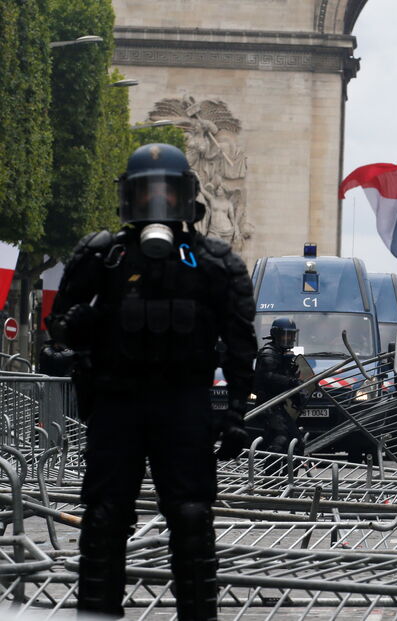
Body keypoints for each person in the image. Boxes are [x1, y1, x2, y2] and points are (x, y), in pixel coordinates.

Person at [47, 143, 257, 620]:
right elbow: (58, 327)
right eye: (146, 195)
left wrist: (235, 416)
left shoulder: (215, 265)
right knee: (104, 518)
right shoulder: (104, 257)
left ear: (187, 200)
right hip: (118, 405)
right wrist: (79, 328)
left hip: (182, 406)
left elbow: (241, 345)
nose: (156, 205)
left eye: (166, 194)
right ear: (129, 199)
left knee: (190, 517)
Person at [255, 317, 304, 455]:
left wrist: (296, 393)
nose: (288, 339)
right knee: (281, 438)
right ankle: (271, 474)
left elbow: (286, 377)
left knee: (297, 441)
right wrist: (290, 381)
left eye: (291, 335)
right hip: (267, 405)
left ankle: (290, 475)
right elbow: (268, 376)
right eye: (285, 335)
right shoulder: (269, 352)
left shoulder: (283, 353)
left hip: (278, 405)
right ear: (275, 334)